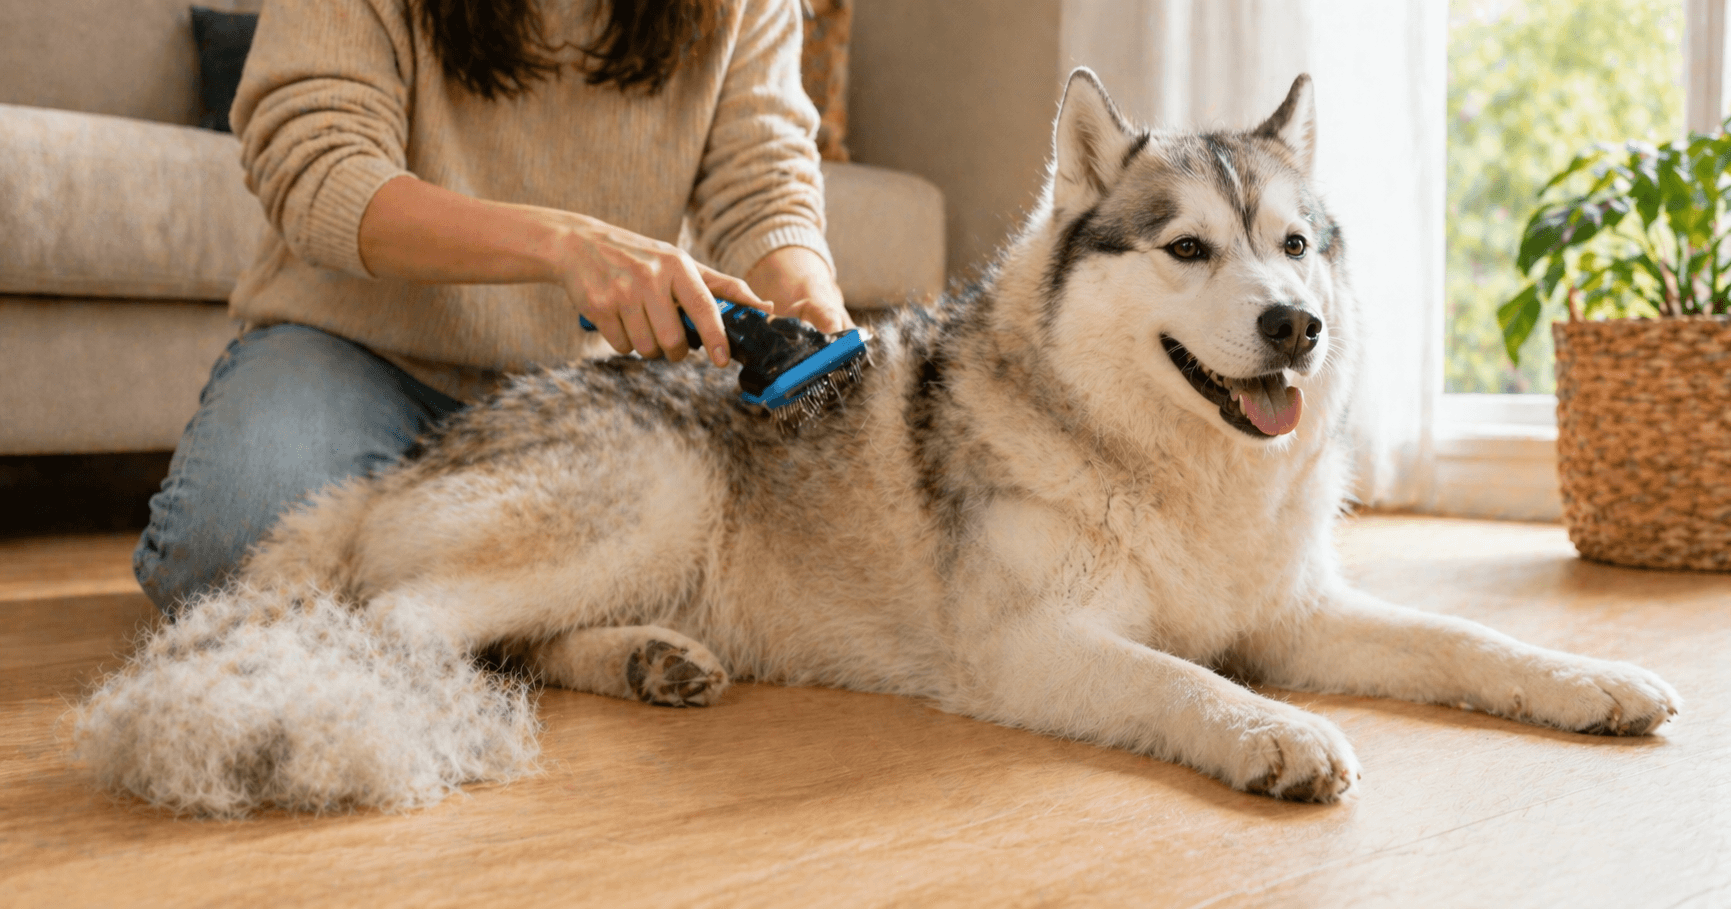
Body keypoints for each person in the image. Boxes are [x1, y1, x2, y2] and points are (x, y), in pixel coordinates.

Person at [134, 0, 849, 614]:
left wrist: (807, 301)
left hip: (583, 390)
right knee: (226, 555)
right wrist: (565, 245)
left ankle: (471, 599)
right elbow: (320, 170)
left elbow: (763, 184)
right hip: (352, 353)